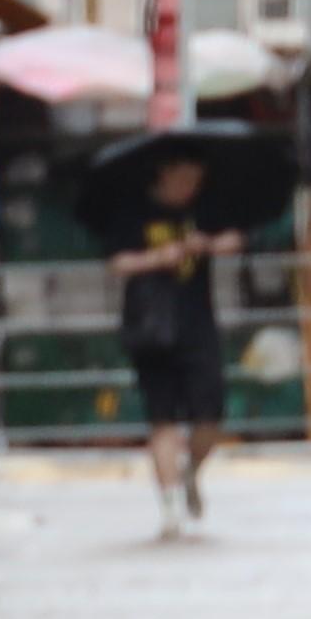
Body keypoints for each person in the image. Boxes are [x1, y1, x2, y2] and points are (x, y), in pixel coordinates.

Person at [112, 152, 235, 531]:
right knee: (161, 416)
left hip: (198, 322)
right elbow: (118, 262)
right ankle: (168, 507)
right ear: (165, 173)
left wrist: (208, 245)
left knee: (209, 415)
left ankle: (191, 472)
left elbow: (236, 238)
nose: (189, 188)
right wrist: (158, 257)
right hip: (152, 325)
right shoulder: (134, 210)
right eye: (183, 178)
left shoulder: (204, 209)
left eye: (195, 180)